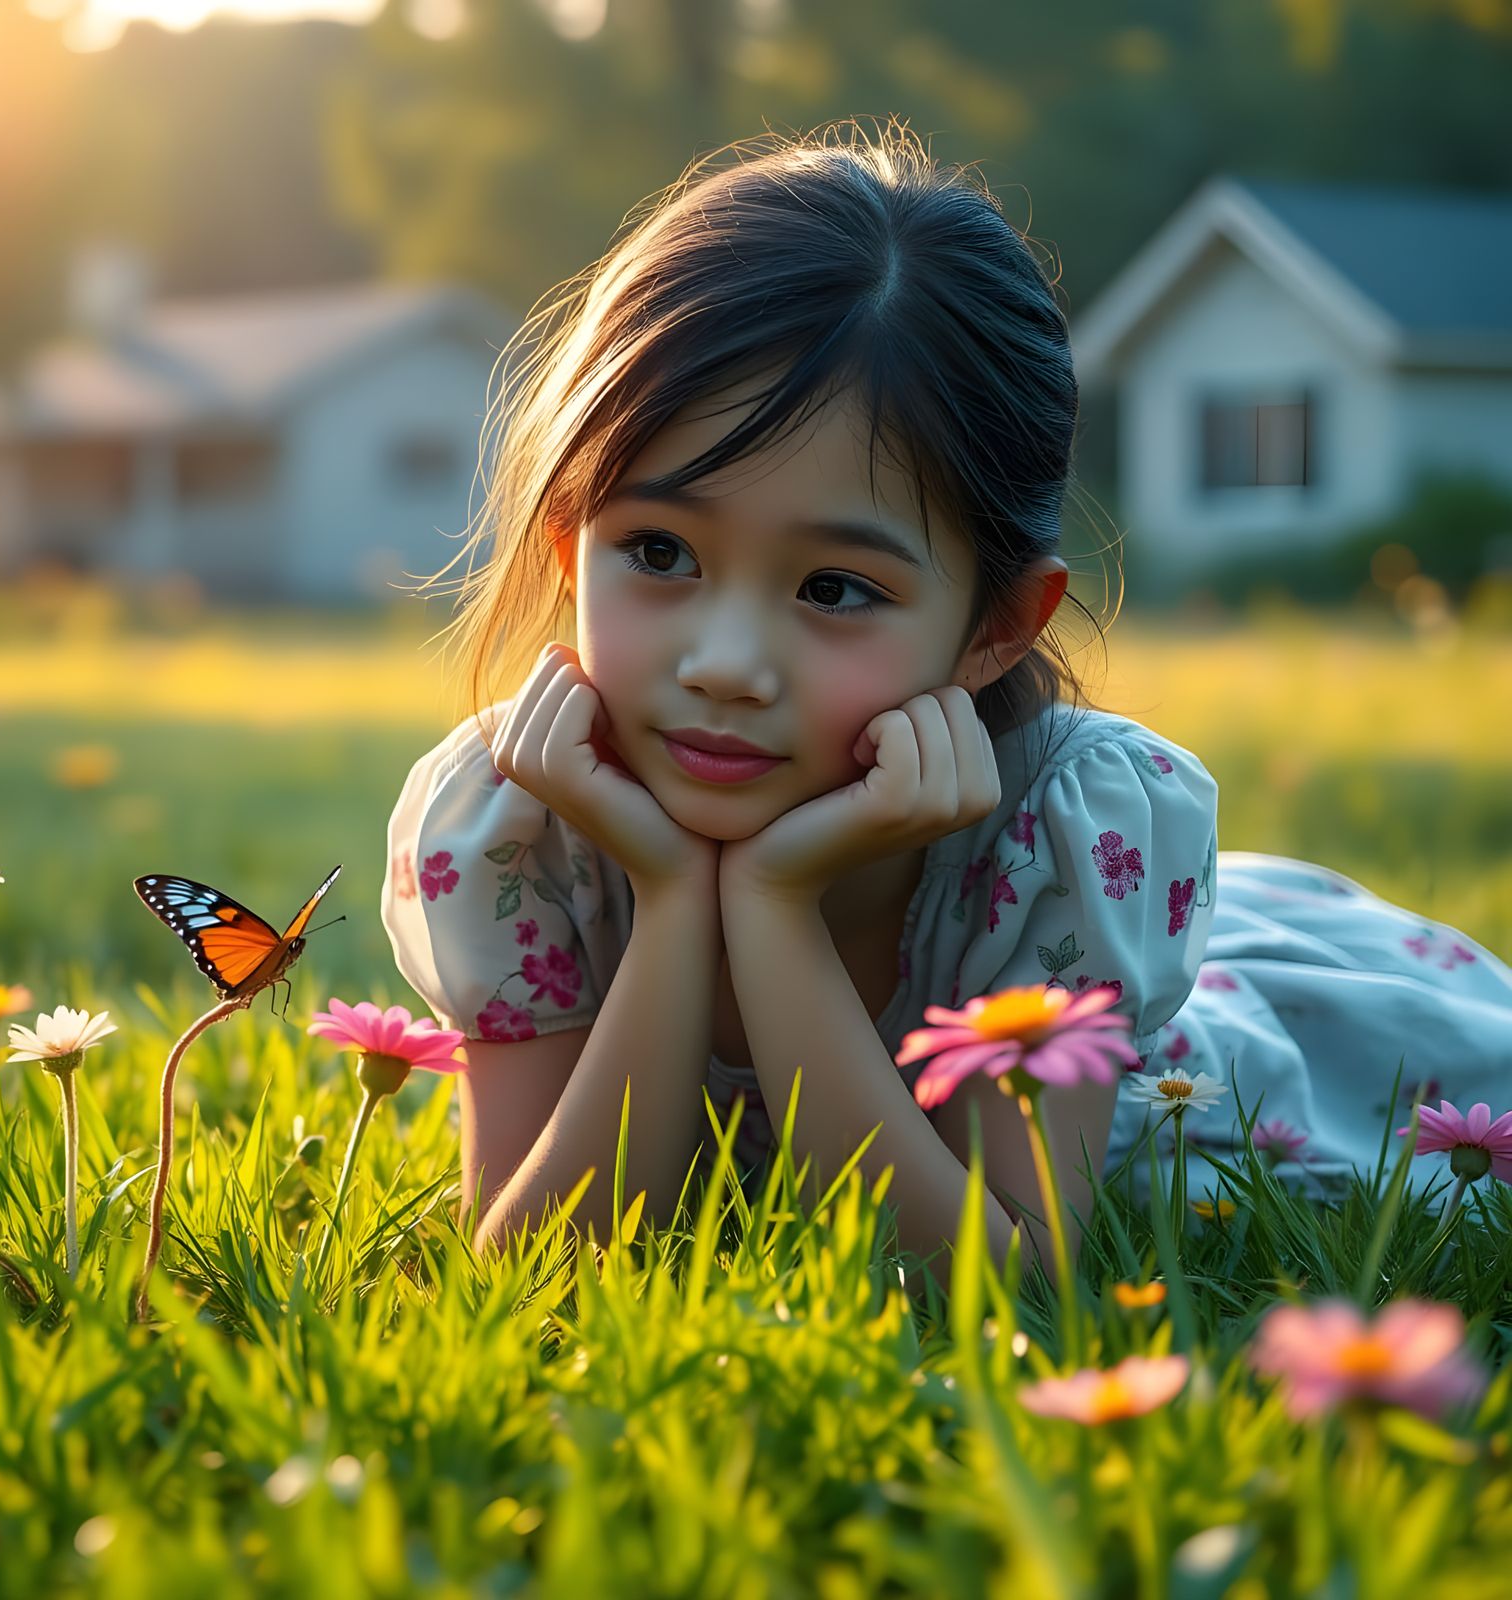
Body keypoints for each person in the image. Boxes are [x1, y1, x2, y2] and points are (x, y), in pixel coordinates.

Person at [380, 119, 1512, 1288]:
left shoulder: (1064, 841)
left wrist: (772, 905)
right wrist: (672, 903)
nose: (723, 663)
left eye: (833, 587)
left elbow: (991, 1280)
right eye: (659, 553)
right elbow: (535, 1271)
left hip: (1223, 1084)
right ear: (570, 547)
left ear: (996, 626)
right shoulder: (517, 830)